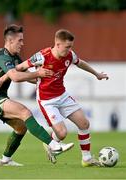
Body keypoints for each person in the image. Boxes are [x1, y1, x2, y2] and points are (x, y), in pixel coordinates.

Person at [14, 29, 109, 167]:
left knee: (84, 124)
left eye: (71, 46)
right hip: (47, 100)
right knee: (62, 133)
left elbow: (80, 62)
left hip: (62, 95)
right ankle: (50, 144)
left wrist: (96, 74)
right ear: (57, 44)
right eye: (67, 47)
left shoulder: (69, 55)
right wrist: (35, 75)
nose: (69, 50)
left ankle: (87, 159)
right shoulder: (42, 56)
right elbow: (19, 68)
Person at [0, 25, 74, 167]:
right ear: (10, 40)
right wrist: (38, 74)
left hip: (1, 97)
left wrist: (44, 79)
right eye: (20, 40)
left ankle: (5, 160)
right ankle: (53, 145)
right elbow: (16, 76)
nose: (22, 44)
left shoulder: (15, 58)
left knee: (21, 128)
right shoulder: (2, 56)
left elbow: (27, 76)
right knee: (25, 112)